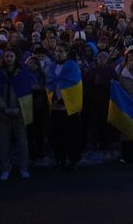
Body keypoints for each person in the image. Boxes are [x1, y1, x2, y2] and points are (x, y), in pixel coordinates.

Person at [0, 49, 32, 180]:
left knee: (22, 142)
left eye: (11, 56)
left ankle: (23, 167)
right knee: (3, 142)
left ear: (15, 57)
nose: (8, 58)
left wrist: (18, 108)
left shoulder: (23, 73)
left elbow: (26, 92)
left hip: (19, 112)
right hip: (3, 113)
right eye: (6, 56)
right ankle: (5, 168)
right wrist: (4, 108)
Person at [46, 44, 83, 172]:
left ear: (67, 53)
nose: (58, 53)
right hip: (56, 107)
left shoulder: (72, 67)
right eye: (56, 51)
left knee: (72, 135)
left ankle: (73, 160)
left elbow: (75, 85)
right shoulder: (52, 67)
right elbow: (50, 83)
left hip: (69, 108)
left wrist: (64, 100)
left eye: (61, 51)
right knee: (57, 135)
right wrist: (53, 99)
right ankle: (59, 160)